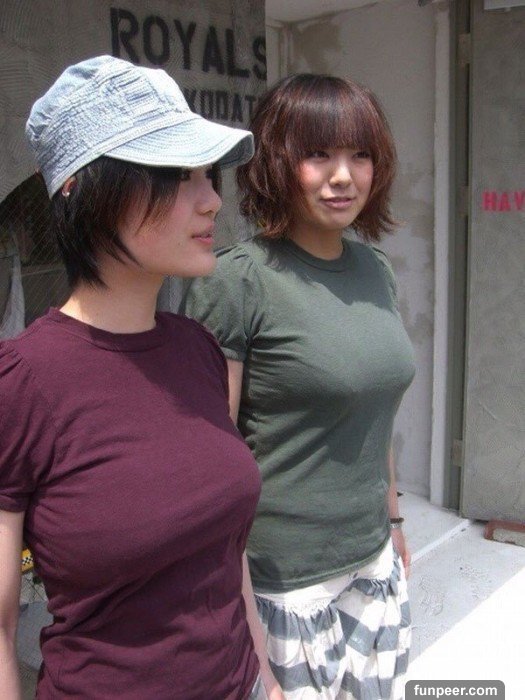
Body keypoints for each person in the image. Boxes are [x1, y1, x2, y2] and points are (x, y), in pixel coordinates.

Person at [0, 55, 269, 700]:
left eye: (207, 175)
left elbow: (226, 556)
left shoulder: (198, 350)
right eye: (176, 175)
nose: (212, 199)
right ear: (85, 190)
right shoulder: (23, 383)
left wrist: (268, 677)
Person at [182, 73, 417, 700]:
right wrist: (235, 613)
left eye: (360, 154)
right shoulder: (236, 280)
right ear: (277, 162)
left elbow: (377, 416)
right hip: (283, 582)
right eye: (317, 154)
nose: (343, 176)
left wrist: (393, 519)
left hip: (373, 559)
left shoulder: (375, 269)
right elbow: (209, 462)